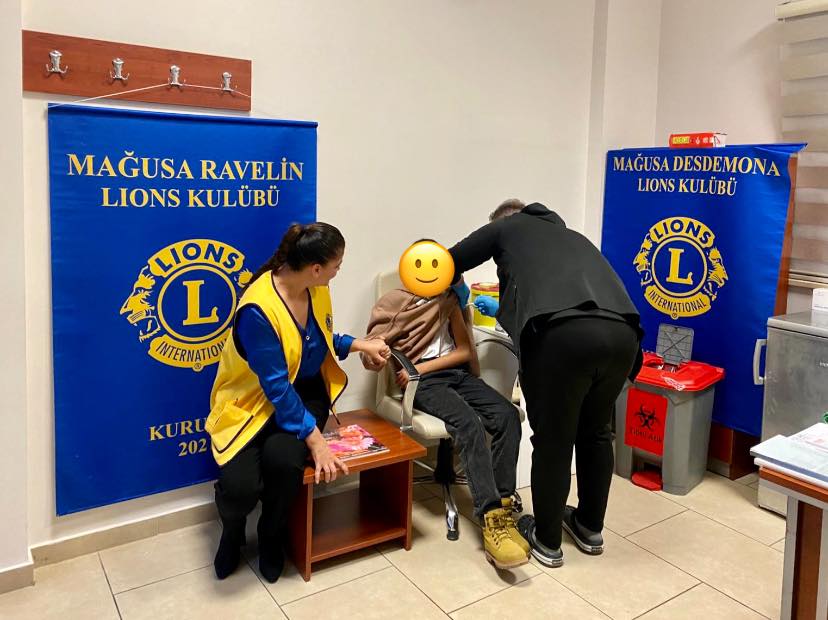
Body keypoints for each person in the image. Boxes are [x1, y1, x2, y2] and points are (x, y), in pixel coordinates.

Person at [447, 199, 643, 568]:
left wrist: (457, 291)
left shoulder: (507, 226)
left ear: (503, 221)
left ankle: (547, 539)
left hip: (564, 336)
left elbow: (447, 261)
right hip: (623, 335)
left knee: (554, 440)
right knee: (596, 434)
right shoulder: (573, 237)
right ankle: (589, 527)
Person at [206, 222, 390, 582]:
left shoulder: (315, 288)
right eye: (336, 265)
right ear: (315, 268)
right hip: (251, 404)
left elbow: (317, 338)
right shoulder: (258, 310)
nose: (338, 272)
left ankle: (271, 535)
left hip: (305, 394)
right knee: (240, 489)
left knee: (284, 464)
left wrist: (360, 345)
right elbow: (275, 387)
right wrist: (317, 441)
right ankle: (232, 530)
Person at [362, 262, 529, 569]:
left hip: (454, 374)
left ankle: (504, 507)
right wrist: (392, 361)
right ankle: (490, 516)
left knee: (507, 414)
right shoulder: (396, 303)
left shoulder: (449, 300)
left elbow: (464, 352)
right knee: (468, 423)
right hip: (421, 384)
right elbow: (373, 347)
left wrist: (421, 366)